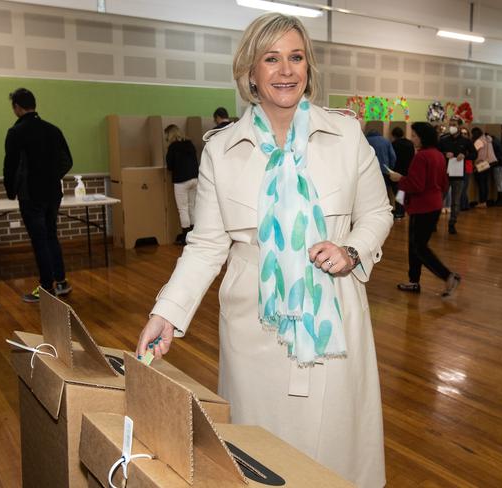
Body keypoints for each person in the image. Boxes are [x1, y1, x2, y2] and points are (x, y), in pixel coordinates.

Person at [137, 13, 393, 488]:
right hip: (255, 325)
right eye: (271, 59)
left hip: (332, 316)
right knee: (261, 452)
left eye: (296, 57)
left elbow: (378, 213)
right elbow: (207, 244)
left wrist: (352, 250)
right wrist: (167, 313)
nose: (286, 70)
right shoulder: (221, 149)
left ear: (309, 67)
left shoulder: (346, 136)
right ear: (250, 71)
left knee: (336, 446)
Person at [3, 88, 73, 303]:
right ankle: (61, 282)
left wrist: (11, 191)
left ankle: (46, 288)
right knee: (51, 235)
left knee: (39, 240)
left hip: (30, 194)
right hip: (53, 192)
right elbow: (67, 161)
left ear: (17, 107)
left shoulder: (16, 132)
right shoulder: (53, 130)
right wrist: (52, 177)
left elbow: (11, 166)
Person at [389, 122, 460, 297]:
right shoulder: (438, 155)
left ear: (423, 137)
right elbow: (444, 183)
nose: (412, 138)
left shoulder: (421, 156)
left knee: (419, 247)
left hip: (422, 207)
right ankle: (414, 281)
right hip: (433, 205)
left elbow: (416, 185)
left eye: (414, 135)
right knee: (415, 246)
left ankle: (448, 276)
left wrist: (399, 178)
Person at [438, 117, 476, 234]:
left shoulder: (466, 141)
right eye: (450, 124)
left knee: (456, 201)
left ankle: (452, 223)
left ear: (460, 126)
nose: (452, 127)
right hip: (444, 174)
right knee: (439, 199)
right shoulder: (443, 140)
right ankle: (433, 222)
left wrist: (465, 156)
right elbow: (436, 153)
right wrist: (445, 154)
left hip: (458, 175)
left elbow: (474, 154)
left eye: (454, 124)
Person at [164, 124, 199, 245]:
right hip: (195, 179)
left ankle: (185, 237)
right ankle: (194, 235)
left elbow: (169, 166)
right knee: (192, 207)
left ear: (170, 135)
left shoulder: (172, 147)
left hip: (181, 181)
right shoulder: (189, 144)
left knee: (183, 209)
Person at [366, 127, 396, 210]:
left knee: (372, 190)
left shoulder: (365, 141)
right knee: (387, 189)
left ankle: (374, 209)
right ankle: (390, 208)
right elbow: (393, 156)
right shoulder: (386, 141)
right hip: (384, 169)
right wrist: (390, 168)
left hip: (370, 171)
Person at [391, 126, 415, 219]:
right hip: (408, 170)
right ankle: (403, 210)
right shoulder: (410, 143)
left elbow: (393, 158)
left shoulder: (394, 144)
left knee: (398, 192)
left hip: (397, 170)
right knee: (404, 191)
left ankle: (399, 212)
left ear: (393, 135)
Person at [471, 127, 498, 208]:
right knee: (485, 183)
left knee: (481, 183)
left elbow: (473, 151)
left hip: (482, 163)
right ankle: (484, 201)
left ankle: (482, 202)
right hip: (490, 162)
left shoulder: (479, 141)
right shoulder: (487, 139)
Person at [489, 130, 502, 206]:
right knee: (500, 182)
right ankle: (500, 199)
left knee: (499, 182)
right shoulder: (497, 141)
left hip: (499, 164)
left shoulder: (493, 143)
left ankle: (500, 200)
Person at [459, 126, 473, 210]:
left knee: (463, 188)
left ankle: (463, 206)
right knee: (461, 188)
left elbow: (473, 155)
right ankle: (465, 205)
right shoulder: (458, 143)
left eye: (465, 133)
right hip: (458, 168)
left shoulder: (469, 144)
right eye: (462, 133)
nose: (464, 135)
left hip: (467, 167)